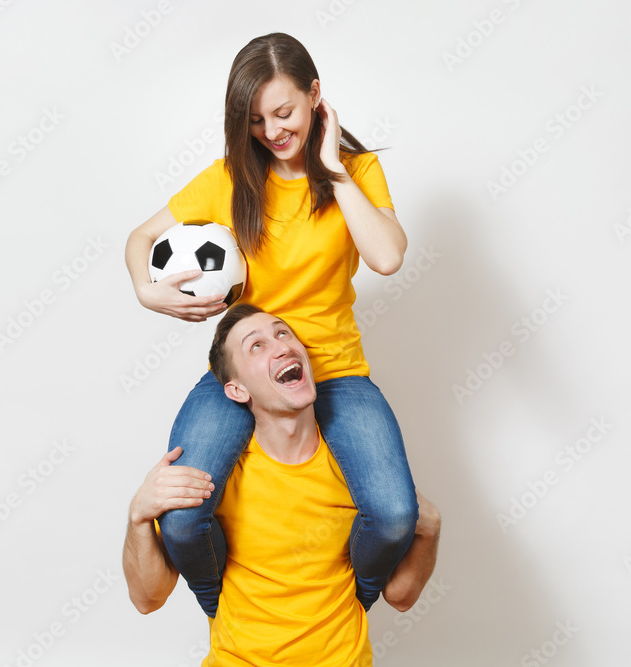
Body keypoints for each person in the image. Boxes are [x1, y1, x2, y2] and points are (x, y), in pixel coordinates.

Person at [125, 32, 418, 617]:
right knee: (182, 519)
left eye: (284, 112)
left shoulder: (357, 172)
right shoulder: (229, 177)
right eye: (255, 120)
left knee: (395, 515)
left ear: (315, 96)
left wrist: (333, 168)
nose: (272, 131)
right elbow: (141, 239)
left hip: (334, 372)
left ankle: (341, 607)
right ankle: (225, 610)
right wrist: (147, 291)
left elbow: (386, 257)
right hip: (246, 371)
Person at [123, 305, 442, 666]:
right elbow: (146, 599)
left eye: (282, 333)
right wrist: (138, 517)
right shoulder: (213, 479)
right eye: (255, 346)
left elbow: (400, 597)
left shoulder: (362, 472)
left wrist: (428, 530)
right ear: (237, 389)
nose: (281, 346)